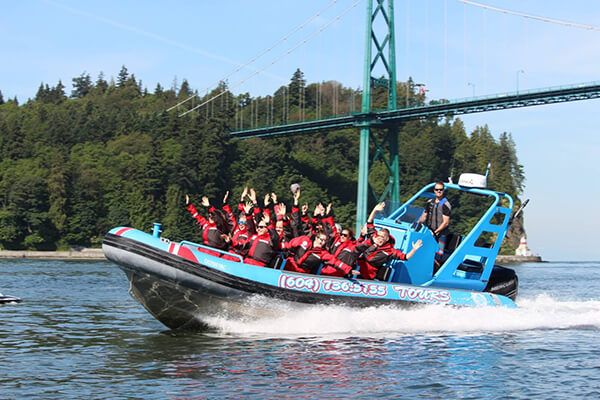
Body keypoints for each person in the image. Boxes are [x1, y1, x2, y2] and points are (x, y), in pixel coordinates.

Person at [356, 202, 423, 280]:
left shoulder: (390, 251)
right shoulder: (373, 236)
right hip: (356, 268)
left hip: (368, 276)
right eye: (379, 235)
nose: (379, 238)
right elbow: (370, 222)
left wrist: (414, 249)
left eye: (382, 237)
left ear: (387, 239)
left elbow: (405, 257)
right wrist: (375, 210)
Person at [419, 182, 451, 256]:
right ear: (434, 190)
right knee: (422, 250)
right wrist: (417, 224)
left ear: (443, 191)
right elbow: (424, 216)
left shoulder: (446, 204)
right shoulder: (430, 202)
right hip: (429, 231)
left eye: (441, 189)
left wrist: (435, 232)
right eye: (437, 189)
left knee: (439, 254)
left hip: (441, 234)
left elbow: (446, 222)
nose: (438, 191)